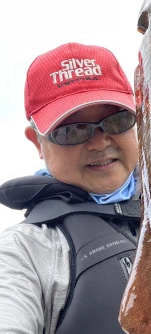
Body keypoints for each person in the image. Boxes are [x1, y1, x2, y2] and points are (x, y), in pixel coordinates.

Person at [0, 42, 140, 334]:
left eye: (117, 120)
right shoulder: (22, 252)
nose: (100, 143)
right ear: (37, 142)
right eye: (72, 130)